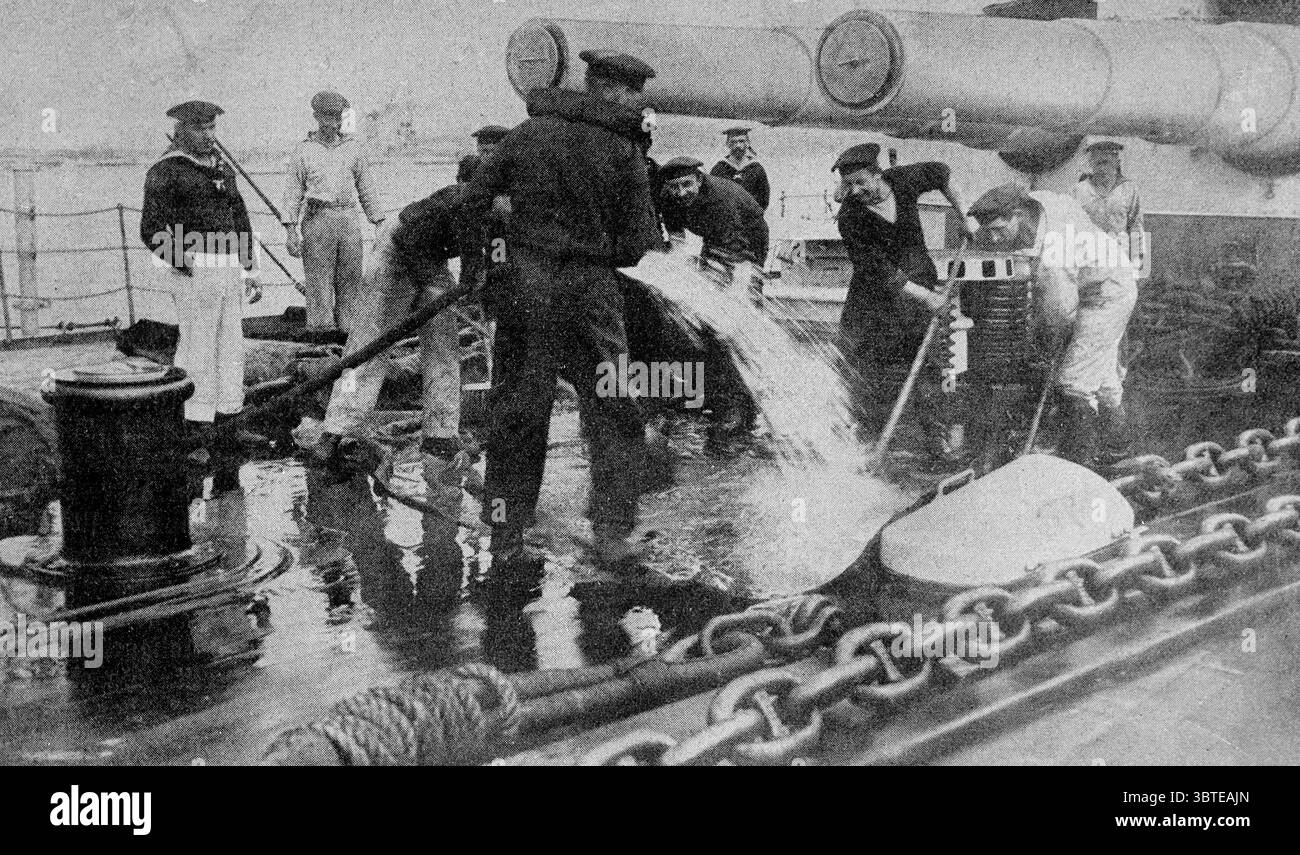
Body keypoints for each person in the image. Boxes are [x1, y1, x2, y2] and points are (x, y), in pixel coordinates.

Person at [462, 49, 664, 569]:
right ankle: (613, 534)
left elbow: (475, 200)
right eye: (636, 92)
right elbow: (636, 244)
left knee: (518, 412)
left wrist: (489, 269)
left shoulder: (525, 135)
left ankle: (505, 535)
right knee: (613, 408)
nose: (639, 101)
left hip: (525, 289)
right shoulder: (624, 149)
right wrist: (599, 253)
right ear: (617, 92)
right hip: (590, 292)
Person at [312, 179, 480, 486]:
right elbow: (409, 240)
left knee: (445, 346)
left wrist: (472, 288)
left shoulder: (500, 214)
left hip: (431, 258)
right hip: (397, 249)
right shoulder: (457, 204)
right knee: (367, 349)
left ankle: (440, 434)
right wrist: (431, 285)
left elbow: (474, 264)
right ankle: (334, 431)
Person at [968, 183, 1139, 466]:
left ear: (1018, 216)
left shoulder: (1054, 254)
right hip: (1092, 281)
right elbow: (1042, 198)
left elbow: (1058, 315)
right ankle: (1118, 447)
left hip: (1107, 295)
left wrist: (1048, 347)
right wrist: (979, 235)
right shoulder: (1039, 202)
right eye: (990, 231)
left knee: (1073, 382)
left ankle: (1077, 464)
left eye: (1000, 230)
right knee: (1104, 380)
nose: (995, 239)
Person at [832, 142, 976, 459]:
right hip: (872, 300)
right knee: (861, 366)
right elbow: (880, 271)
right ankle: (865, 443)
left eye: (860, 181)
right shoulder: (850, 219)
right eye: (848, 184)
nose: (855, 190)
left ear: (878, 174)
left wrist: (963, 214)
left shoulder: (903, 180)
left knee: (926, 361)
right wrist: (927, 297)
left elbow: (942, 173)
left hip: (919, 283)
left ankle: (935, 439)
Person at [140, 100, 260, 446]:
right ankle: (195, 427)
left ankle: (230, 419)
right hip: (195, 270)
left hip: (228, 268)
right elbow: (150, 228)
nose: (210, 135)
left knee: (231, 345)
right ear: (182, 132)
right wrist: (182, 262)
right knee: (197, 347)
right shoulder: (166, 170)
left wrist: (249, 267)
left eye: (212, 128)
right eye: (202, 129)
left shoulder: (222, 169)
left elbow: (240, 219)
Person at [281, 91, 386, 333]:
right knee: (318, 281)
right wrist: (290, 231)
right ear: (316, 117)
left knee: (351, 280)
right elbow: (292, 194)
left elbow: (366, 187)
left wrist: (379, 222)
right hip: (318, 220)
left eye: (338, 118)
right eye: (328, 118)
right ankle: (321, 334)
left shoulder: (353, 149)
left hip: (349, 219)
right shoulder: (303, 151)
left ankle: (349, 335)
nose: (334, 124)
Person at [657, 156, 769, 267]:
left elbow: (733, 245)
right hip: (714, 234)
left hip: (748, 235)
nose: (681, 192)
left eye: (687, 184)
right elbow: (676, 235)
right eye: (674, 186)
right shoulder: (668, 196)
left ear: (699, 180)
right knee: (703, 272)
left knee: (737, 277)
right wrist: (676, 260)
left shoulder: (719, 198)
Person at [1073, 140, 1145, 278]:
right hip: (1088, 261)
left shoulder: (1128, 189)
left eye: (1106, 162)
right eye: (1097, 163)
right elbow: (1071, 227)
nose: (1102, 169)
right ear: (1091, 164)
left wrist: (1136, 263)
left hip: (1119, 260)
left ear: (1117, 163)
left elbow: (1136, 227)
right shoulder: (1080, 190)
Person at [709, 127, 770, 210]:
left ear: (748, 143)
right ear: (727, 144)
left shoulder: (756, 169)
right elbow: (711, 197)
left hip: (751, 219)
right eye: (733, 142)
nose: (737, 145)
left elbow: (763, 200)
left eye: (741, 141)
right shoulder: (719, 169)